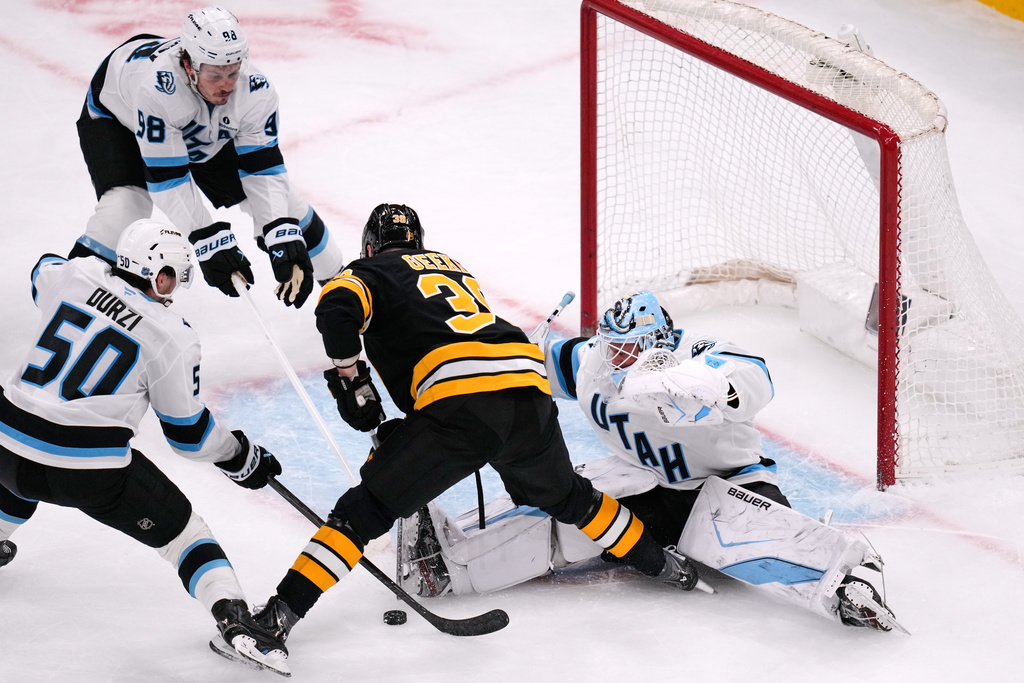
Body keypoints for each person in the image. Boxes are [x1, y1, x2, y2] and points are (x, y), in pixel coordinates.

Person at [251, 204, 708, 647]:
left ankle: (275, 620)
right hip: (528, 386)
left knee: (362, 511)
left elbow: (335, 309)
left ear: (371, 247)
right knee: (570, 496)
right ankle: (663, 564)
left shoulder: (365, 271)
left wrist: (351, 379)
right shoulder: (452, 267)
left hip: (460, 403)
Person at [397, 290, 903, 632]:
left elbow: (754, 377)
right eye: (610, 347)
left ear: (658, 340)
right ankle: (448, 562)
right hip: (644, 482)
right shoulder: (596, 361)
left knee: (759, 542)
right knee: (561, 508)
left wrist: (705, 386)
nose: (614, 359)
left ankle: (850, 583)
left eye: (627, 350)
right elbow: (540, 362)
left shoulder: (698, 356)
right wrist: (498, 359)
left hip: (723, 483)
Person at [0, 219, 290, 675]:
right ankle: (236, 621)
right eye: (172, 275)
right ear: (159, 274)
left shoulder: (75, 274)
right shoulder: (171, 334)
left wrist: (91, 268)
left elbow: (42, 268)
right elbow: (188, 436)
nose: (174, 286)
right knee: (186, 536)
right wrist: (238, 455)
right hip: (85, 470)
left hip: (5, 442)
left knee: (22, 470)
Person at [72, 6, 346, 308]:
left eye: (233, 71)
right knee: (126, 205)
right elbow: (169, 180)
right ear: (189, 65)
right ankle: (73, 294)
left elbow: (263, 170)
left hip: (192, 120)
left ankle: (344, 287)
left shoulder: (254, 89)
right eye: (216, 74)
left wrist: (281, 232)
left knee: (289, 205)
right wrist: (207, 239)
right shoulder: (157, 89)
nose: (227, 84)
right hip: (116, 117)